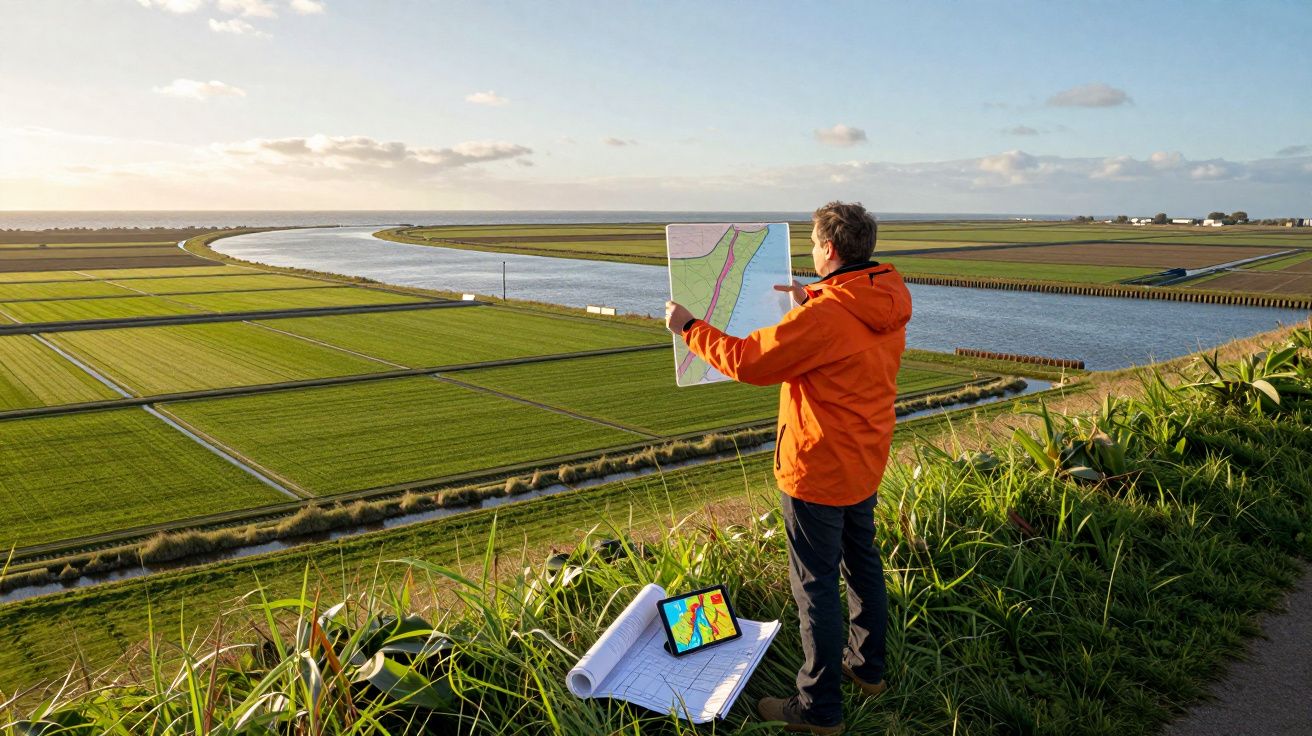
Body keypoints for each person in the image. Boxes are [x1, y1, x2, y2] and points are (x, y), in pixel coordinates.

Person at [665, 202, 911, 735]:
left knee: (815, 588)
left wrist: (689, 328)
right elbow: (844, 331)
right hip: (864, 458)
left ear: (829, 249)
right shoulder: (885, 294)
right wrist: (812, 298)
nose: (812, 252)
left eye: (814, 244)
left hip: (817, 468)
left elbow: (749, 361)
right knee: (862, 565)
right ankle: (868, 669)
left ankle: (818, 708)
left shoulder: (823, 318)